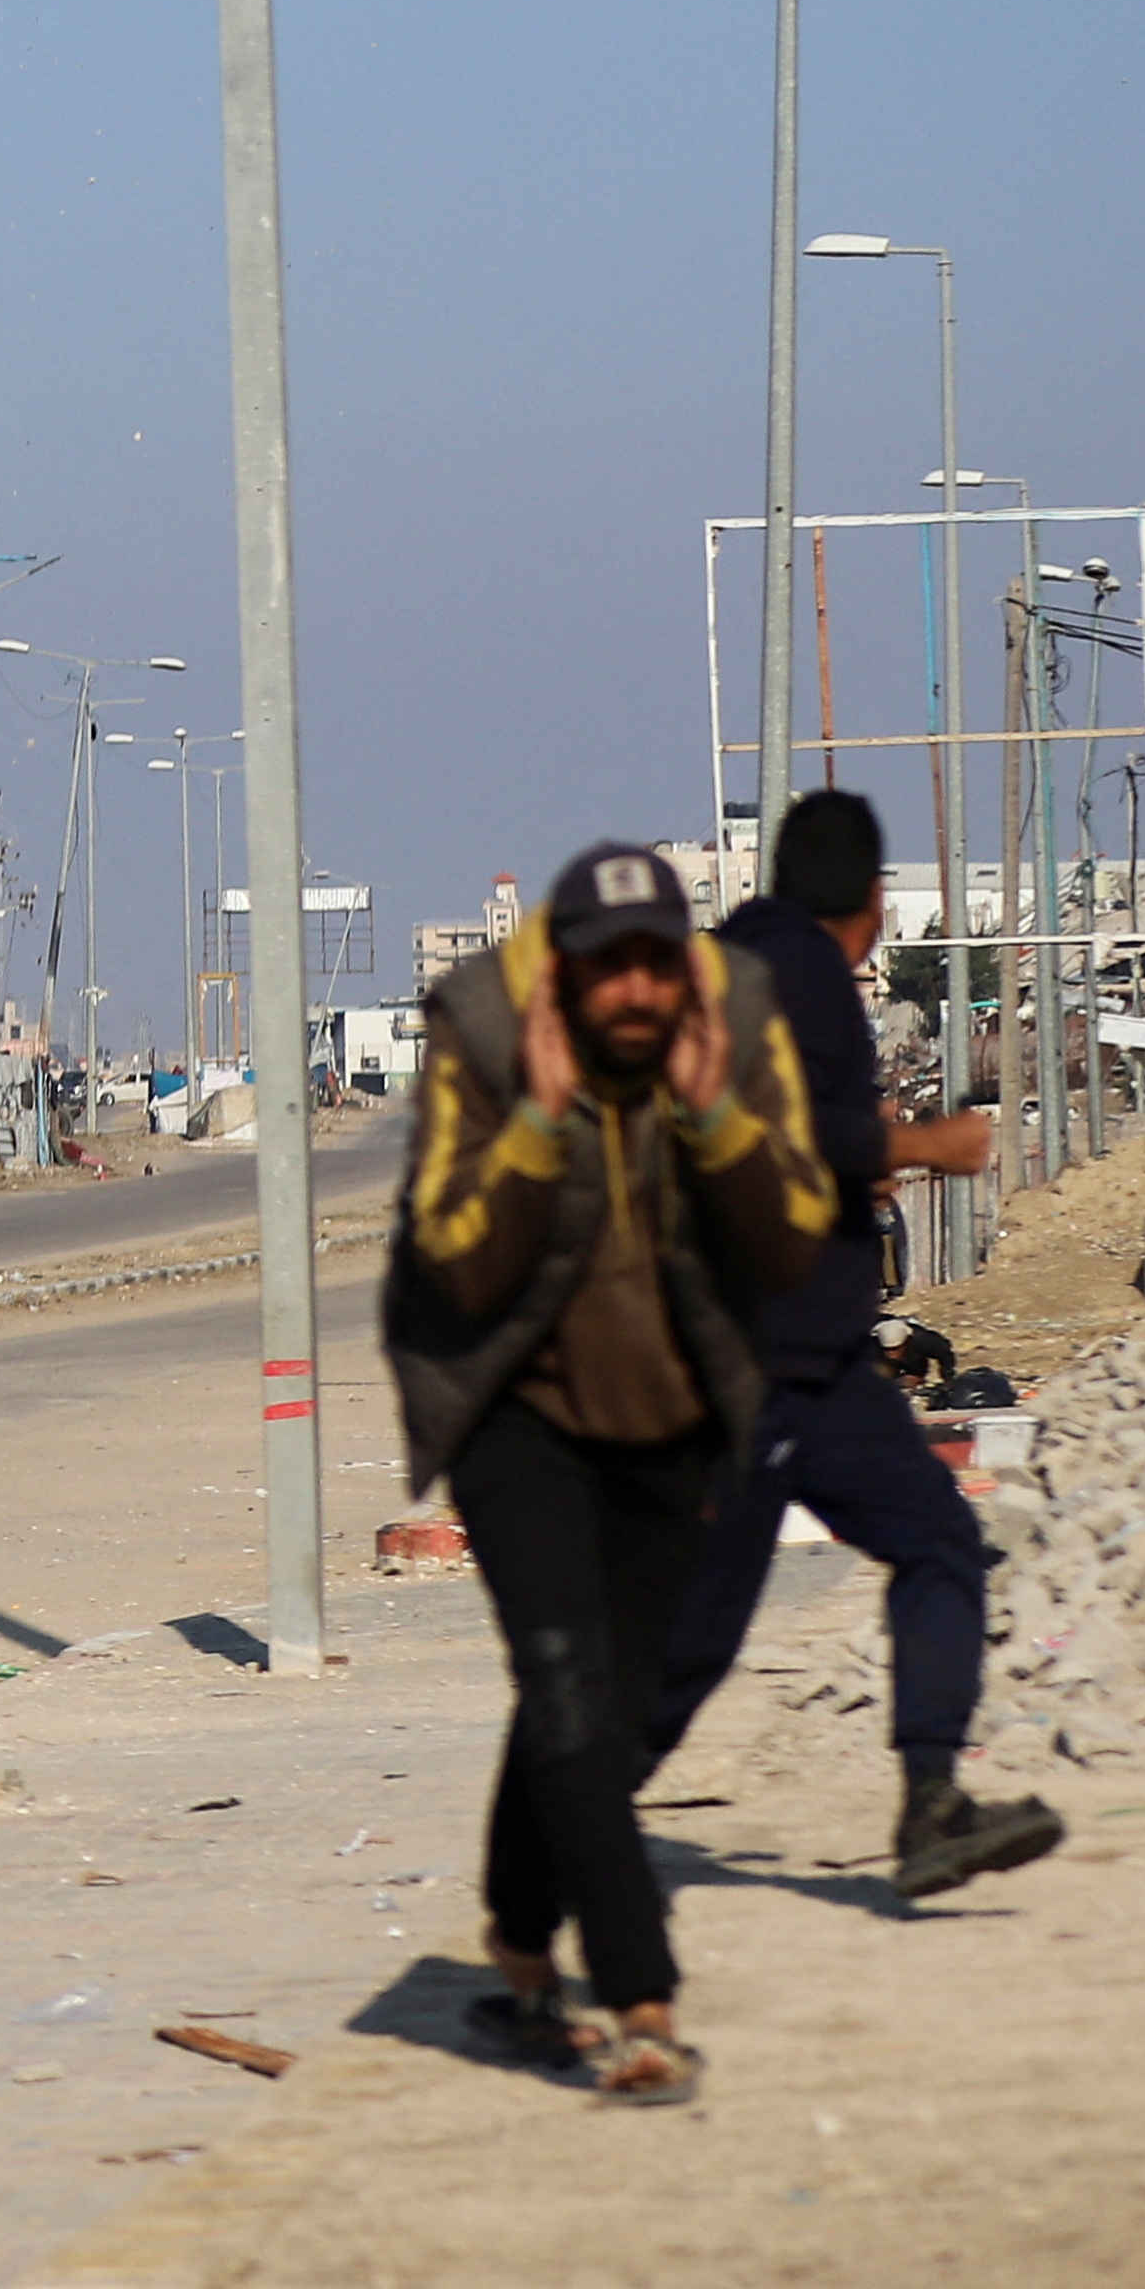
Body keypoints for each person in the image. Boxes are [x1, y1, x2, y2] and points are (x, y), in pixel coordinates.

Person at [387, 838, 832, 2105]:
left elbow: (794, 1233)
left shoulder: (737, 1020)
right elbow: (458, 1261)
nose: (634, 996)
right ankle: (640, 1998)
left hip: (671, 1410)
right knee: (567, 1689)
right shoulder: (476, 1027)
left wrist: (709, 1113)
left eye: (656, 970)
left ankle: (516, 1949)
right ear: (562, 980)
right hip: (508, 1405)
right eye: (606, 972)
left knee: (601, 1709)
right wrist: (534, 1117)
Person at [657, 789, 1064, 1895]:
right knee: (689, 1644)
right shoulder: (795, 977)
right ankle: (552, 1840)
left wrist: (857, 1163)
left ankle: (930, 1802)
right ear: (871, 899)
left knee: (934, 1542)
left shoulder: (748, 960)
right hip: (759, 1365)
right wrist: (923, 1140)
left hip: (809, 1362)